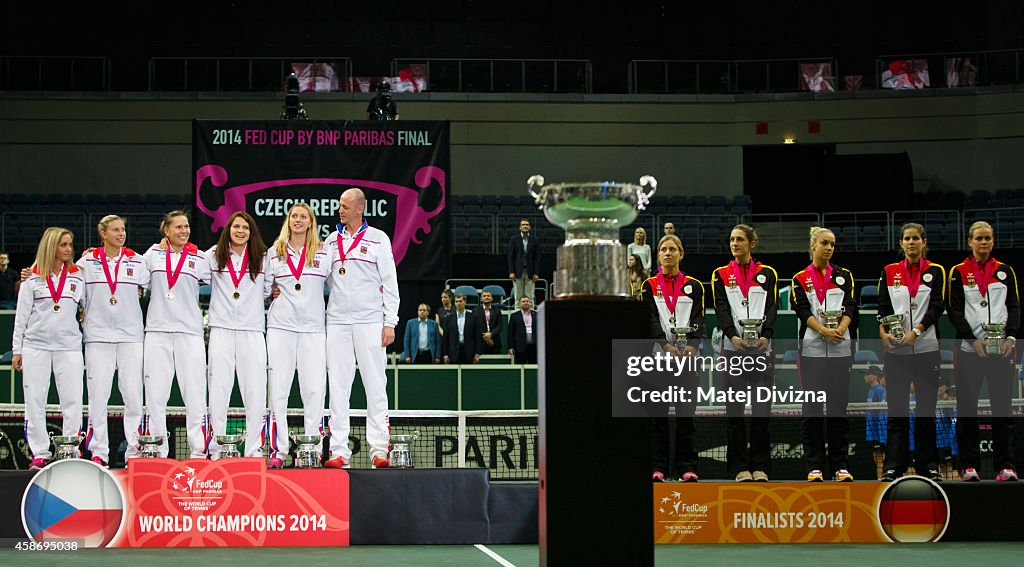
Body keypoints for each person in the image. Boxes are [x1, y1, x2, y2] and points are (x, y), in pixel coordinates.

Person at [324, 188, 400, 470]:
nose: (340, 211)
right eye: (340, 206)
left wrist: (389, 321)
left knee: (375, 385)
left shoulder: (379, 239)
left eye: (344, 206)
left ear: (359, 208)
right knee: (338, 387)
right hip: (338, 323)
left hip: (370, 322)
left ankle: (379, 449)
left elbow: (390, 283)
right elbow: (318, 277)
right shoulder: (331, 241)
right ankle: (338, 450)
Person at [947, 220, 1019, 481]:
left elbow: (1014, 306)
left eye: (988, 237)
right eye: (979, 238)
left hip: (1001, 351)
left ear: (993, 240)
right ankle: (968, 466)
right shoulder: (957, 272)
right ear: (970, 241)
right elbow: (953, 309)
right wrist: (971, 339)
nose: (984, 242)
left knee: (1003, 410)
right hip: (969, 351)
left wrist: (1011, 336)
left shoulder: (1005, 271)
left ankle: (1006, 466)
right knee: (967, 410)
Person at [78, 215, 150, 467]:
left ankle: (134, 450)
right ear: (103, 233)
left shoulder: (138, 261)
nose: (121, 234)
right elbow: (66, 280)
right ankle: (99, 452)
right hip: (97, 337)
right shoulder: (86, 261)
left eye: (123, 230)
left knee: (132, 395)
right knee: (98, 396)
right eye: (115, 230)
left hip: (130, 337)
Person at [264, 203, 331, 469]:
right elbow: (262, 287)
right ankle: (277, 451)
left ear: (311, 222)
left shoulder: (324, 253)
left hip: (314, 329)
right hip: (281, 328)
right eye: (294, 216)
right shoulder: (274, 252)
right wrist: (271, 294)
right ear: (288, 221)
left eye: (304, 216)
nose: (298, 220)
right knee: (278, 391)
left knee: (314, 390)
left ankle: (311, 450)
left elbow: (340, 285)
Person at [877, 222, 945, 482]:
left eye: (916, 238)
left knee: (927, 410)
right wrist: (884, 333)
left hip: (927, 349)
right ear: (902, 243)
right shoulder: (889, 271)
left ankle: (928, 465)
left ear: (924, 242)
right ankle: (894, 465)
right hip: (896, 354)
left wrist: (916, 331)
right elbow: (882, 306)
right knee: (897, 410)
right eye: (907, 238)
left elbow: (937, 306)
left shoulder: (936, 272)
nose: (911, 242)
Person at [13, 227, 85, 469]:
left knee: (73, 400)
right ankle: (40, 452)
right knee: (35, 401)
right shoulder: (31, 279)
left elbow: (88, 308)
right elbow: (21, 318)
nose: (67, 250)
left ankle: (71, 449)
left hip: (69, 347)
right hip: (36, 347)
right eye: (63, 245)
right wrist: (17, 350)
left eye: (69, 245)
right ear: (50, 247)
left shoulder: (78, 276)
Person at [142, 211, 212, 459]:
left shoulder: (200, 257)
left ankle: (198, 450)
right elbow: (126, 275)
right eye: (179, 227)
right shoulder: (151, 255)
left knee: (194, 393)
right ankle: (157, 450)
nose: (184, 230)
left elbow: (224, 278)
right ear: (166, 231)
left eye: (187, 226)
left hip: (189, 332)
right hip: (158, 332)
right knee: (156, 395)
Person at [712, 224, 778, 482]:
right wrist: (733, 336)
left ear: (752, 243)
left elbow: (773, 306)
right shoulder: (720, 274)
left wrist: (766, 336)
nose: (734, 243)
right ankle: (740, 468)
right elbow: (720, 308)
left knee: (762, 412)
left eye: (740, 239)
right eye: (731, 239)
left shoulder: (768, 273)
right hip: (733, 351)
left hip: (763, 350)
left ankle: (760, 466)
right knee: (735, 413)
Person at [791, 227, 858, 482]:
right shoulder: (800, 278)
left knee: (838, 410)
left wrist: (840, 328)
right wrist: (822, 330)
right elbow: (800, 308)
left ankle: (841, 466)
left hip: (841, 350)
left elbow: (851, 305)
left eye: (832, 244)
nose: (829, 248)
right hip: (812, 352)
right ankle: (814, 466)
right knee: (812, 410)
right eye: (824, 243)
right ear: (813, 246)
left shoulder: (844, 276)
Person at [205, 211, 270, 461]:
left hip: (252, 331)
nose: (240, 231)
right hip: (221, 330)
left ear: (251, 232)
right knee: (219, 390)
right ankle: (216, 449)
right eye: (236, 227)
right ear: (228, 230)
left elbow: (270, 287)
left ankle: (254, 450)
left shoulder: (263, 258)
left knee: (255, 392)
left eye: (245, 227)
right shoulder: (212, 256)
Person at [644, 234, 703, 482]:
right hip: (658, 359)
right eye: (663, 249)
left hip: (688, 360)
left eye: (672, 249)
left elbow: (699, 319)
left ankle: (686, 468)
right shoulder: (649, 285)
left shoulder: (695, 285)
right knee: (658, 417)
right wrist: (666, 345)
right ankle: (658, 467)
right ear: (658, 256)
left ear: (681, 253)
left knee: (685, 417)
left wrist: (691, 345)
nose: (668, 253)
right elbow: (651, 319)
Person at [443, 294, 482, 364]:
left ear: (465, 302)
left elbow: (477, 337)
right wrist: (445, 355)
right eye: (456, 301)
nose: (458, 303)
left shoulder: (473, 317)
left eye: (460, 301)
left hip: (469, 353)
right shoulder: (449, 318)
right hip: (453, 353)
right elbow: (445, 338)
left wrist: (477, 354)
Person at [864, 366, 888, 479]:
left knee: (881, 457)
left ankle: (881, 479)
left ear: (875, 376)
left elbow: (881, 413)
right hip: (872, 430)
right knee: (876, 457)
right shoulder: (870, 391)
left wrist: (879, 430)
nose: (865, 376)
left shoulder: (880, 390)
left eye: (868, 374)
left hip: (879, 431)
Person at [507, 218, 539, 304]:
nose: (525, 226)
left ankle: (530, 316)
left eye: (527, 225)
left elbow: (537, 258)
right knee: (518, 297)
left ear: (530, 227)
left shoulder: (534, 240)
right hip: (517, 272)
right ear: (520, 227)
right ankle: (518, 316)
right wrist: (511, 271)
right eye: (523, 225)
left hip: (530, 271)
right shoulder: (514, 239)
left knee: (530, 297)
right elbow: (511, 257)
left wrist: (536, 272)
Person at [507, 296, 537, 364]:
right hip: (520, 346)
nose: (525, 303)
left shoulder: (536, 314)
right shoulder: (514, 316)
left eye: (527, 301)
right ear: (519, 304)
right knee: (520, 366)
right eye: (523, 301)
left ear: (530, 303)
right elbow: (510, 332)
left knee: (533, 367)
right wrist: (510, 346)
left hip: (534, 346)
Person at [472, 290, 504, 355]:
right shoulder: (475, 311)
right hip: (481, 343)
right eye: (484, 296)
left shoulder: (497, 310)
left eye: (488, 296)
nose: (486, 297)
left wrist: (491, 334)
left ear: (492, 298)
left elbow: (500, 326)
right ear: (481, 299)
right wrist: (486, 337)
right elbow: (475, 326)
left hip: (495, 342)